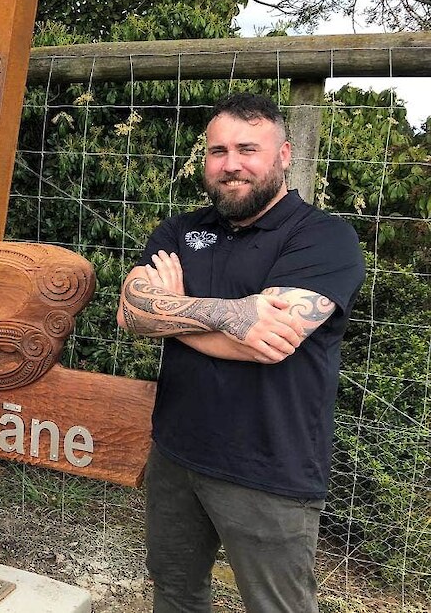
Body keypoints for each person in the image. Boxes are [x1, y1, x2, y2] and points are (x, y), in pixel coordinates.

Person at [117, 93, 365, 613]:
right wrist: (234, 316)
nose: (231, 165)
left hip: (271, 469)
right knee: (176, 592)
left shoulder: (324, 239)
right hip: (176, 454)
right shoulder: (180, 230)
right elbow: (132, 313)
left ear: (283, 155)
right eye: (217, 151)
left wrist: (176, 309)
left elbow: (272, 343)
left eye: (247, 149)